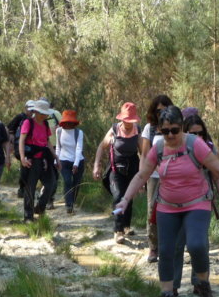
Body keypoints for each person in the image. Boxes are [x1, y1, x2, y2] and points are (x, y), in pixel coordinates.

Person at [115, 106, 219, 297]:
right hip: (167, 206)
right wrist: (124, 200)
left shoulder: (195, 144)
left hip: (197, 202)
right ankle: (167, 296)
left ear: (182, 127)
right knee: (166, 251)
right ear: (160, 131)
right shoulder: (159, 148)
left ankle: (202, 284)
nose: (170, 135)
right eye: (165, 131)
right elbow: (141, 175)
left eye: (174, 129)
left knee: (197, 244)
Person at [168, 113, 218, 297]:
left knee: (199, 245)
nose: (198, 138)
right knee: (176, 244)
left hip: (201, 203)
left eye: (201, 133)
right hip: (175, 204)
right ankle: (172, 285)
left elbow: (218, 173)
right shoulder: (172, 148)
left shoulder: (211, 150)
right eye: (193, 133)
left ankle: (200, 283)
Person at [93, 102, 145, 244]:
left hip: (133, 168)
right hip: (115, 169)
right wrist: (96, 165)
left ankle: (126, 226)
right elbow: (101, 147)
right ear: (121, 118)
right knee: (119, 197)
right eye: (126, 120)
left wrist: (142, 177)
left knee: (129, 198)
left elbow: (143, 154)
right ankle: (118, 230)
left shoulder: (137, 131)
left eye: (130, 120)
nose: (128, 123)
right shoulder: (114, 130)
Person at [141, 95, 175, 262]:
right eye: (158, 110)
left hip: (174, 175)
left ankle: (170, 246)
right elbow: (145, 154)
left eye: (165, 109)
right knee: (152, 210)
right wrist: (142, 176)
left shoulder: (176, 127)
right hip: (154, 176)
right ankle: (153, 248)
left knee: (173, 210)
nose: (161, 113)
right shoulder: (150, 128)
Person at [19, 99, 56, 222]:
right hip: (31, 160)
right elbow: (22, 141)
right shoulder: (28, 123)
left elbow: (48, 142)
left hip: (43, 159)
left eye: (46, 113)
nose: (45, 115)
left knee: (51, 184)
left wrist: (55, 157)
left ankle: (40, 208)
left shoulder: (45, 124)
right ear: (37, 112)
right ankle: (28, 216)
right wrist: (23, 158)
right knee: (30, 187)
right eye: (43, 113)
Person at [55, 110, 85, 214]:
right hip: (64, 161)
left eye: (70, 122)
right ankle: (69, 205)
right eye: (67, 122)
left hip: (78, 161)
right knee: (67, 181)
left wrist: (76, 164)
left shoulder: (79, 133)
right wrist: (56, 160)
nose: (68, 124)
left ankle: (72, 202)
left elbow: (78, 148)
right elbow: (58, 147)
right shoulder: (59, 131)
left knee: (76, 184)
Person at [8, 100, 35, 199]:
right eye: (30, 109)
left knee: (28, 167)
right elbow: (10, 127)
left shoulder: (36, 120)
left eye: (33, 109)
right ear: (26, 108)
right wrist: (11, 139)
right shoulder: (20, 117)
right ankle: (22, 188)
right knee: (25, 165)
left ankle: (26, 188)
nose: (31, 111)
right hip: (20, 146)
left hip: (32, 147)